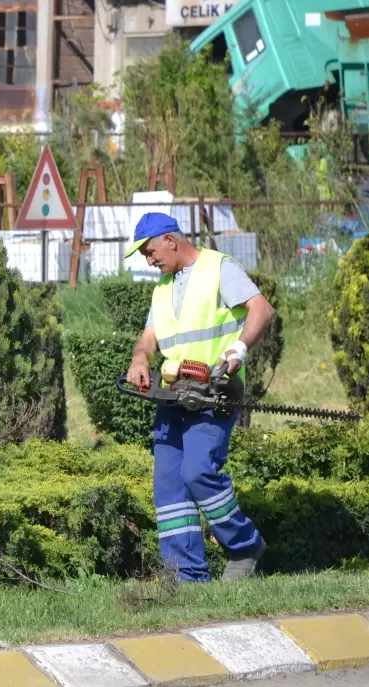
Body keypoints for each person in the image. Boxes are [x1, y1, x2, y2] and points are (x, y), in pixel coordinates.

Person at [124, 212, 275, 582]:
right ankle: (187, 575)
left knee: (198, 473)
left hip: (214, 394)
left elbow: (262, 309)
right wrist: (140, 357)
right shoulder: (163, 287)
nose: (148, 260)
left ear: (171, 241)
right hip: (173, 397)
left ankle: (244, 547)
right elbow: (149, 337)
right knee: (169, 486)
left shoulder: (218, 268)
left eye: (150, 251)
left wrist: (239, 348)